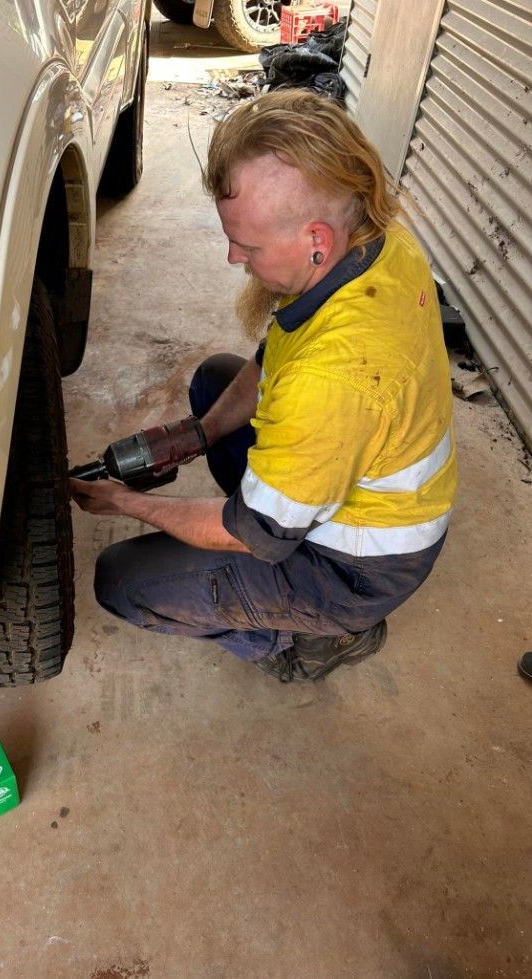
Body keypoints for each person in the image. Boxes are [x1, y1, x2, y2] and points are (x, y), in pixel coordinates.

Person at [71, 89, 457, 683]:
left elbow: (247, 533)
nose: (231, 256)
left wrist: (127, 503)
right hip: (373, 486)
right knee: (215, 382)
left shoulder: (332, 379)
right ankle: (278, 511)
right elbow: (275, 350)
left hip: (357, 568)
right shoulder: (377, 241)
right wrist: (198, 433)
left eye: (247, 245)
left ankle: (311, 639)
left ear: (315, 240)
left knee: (121, 580)